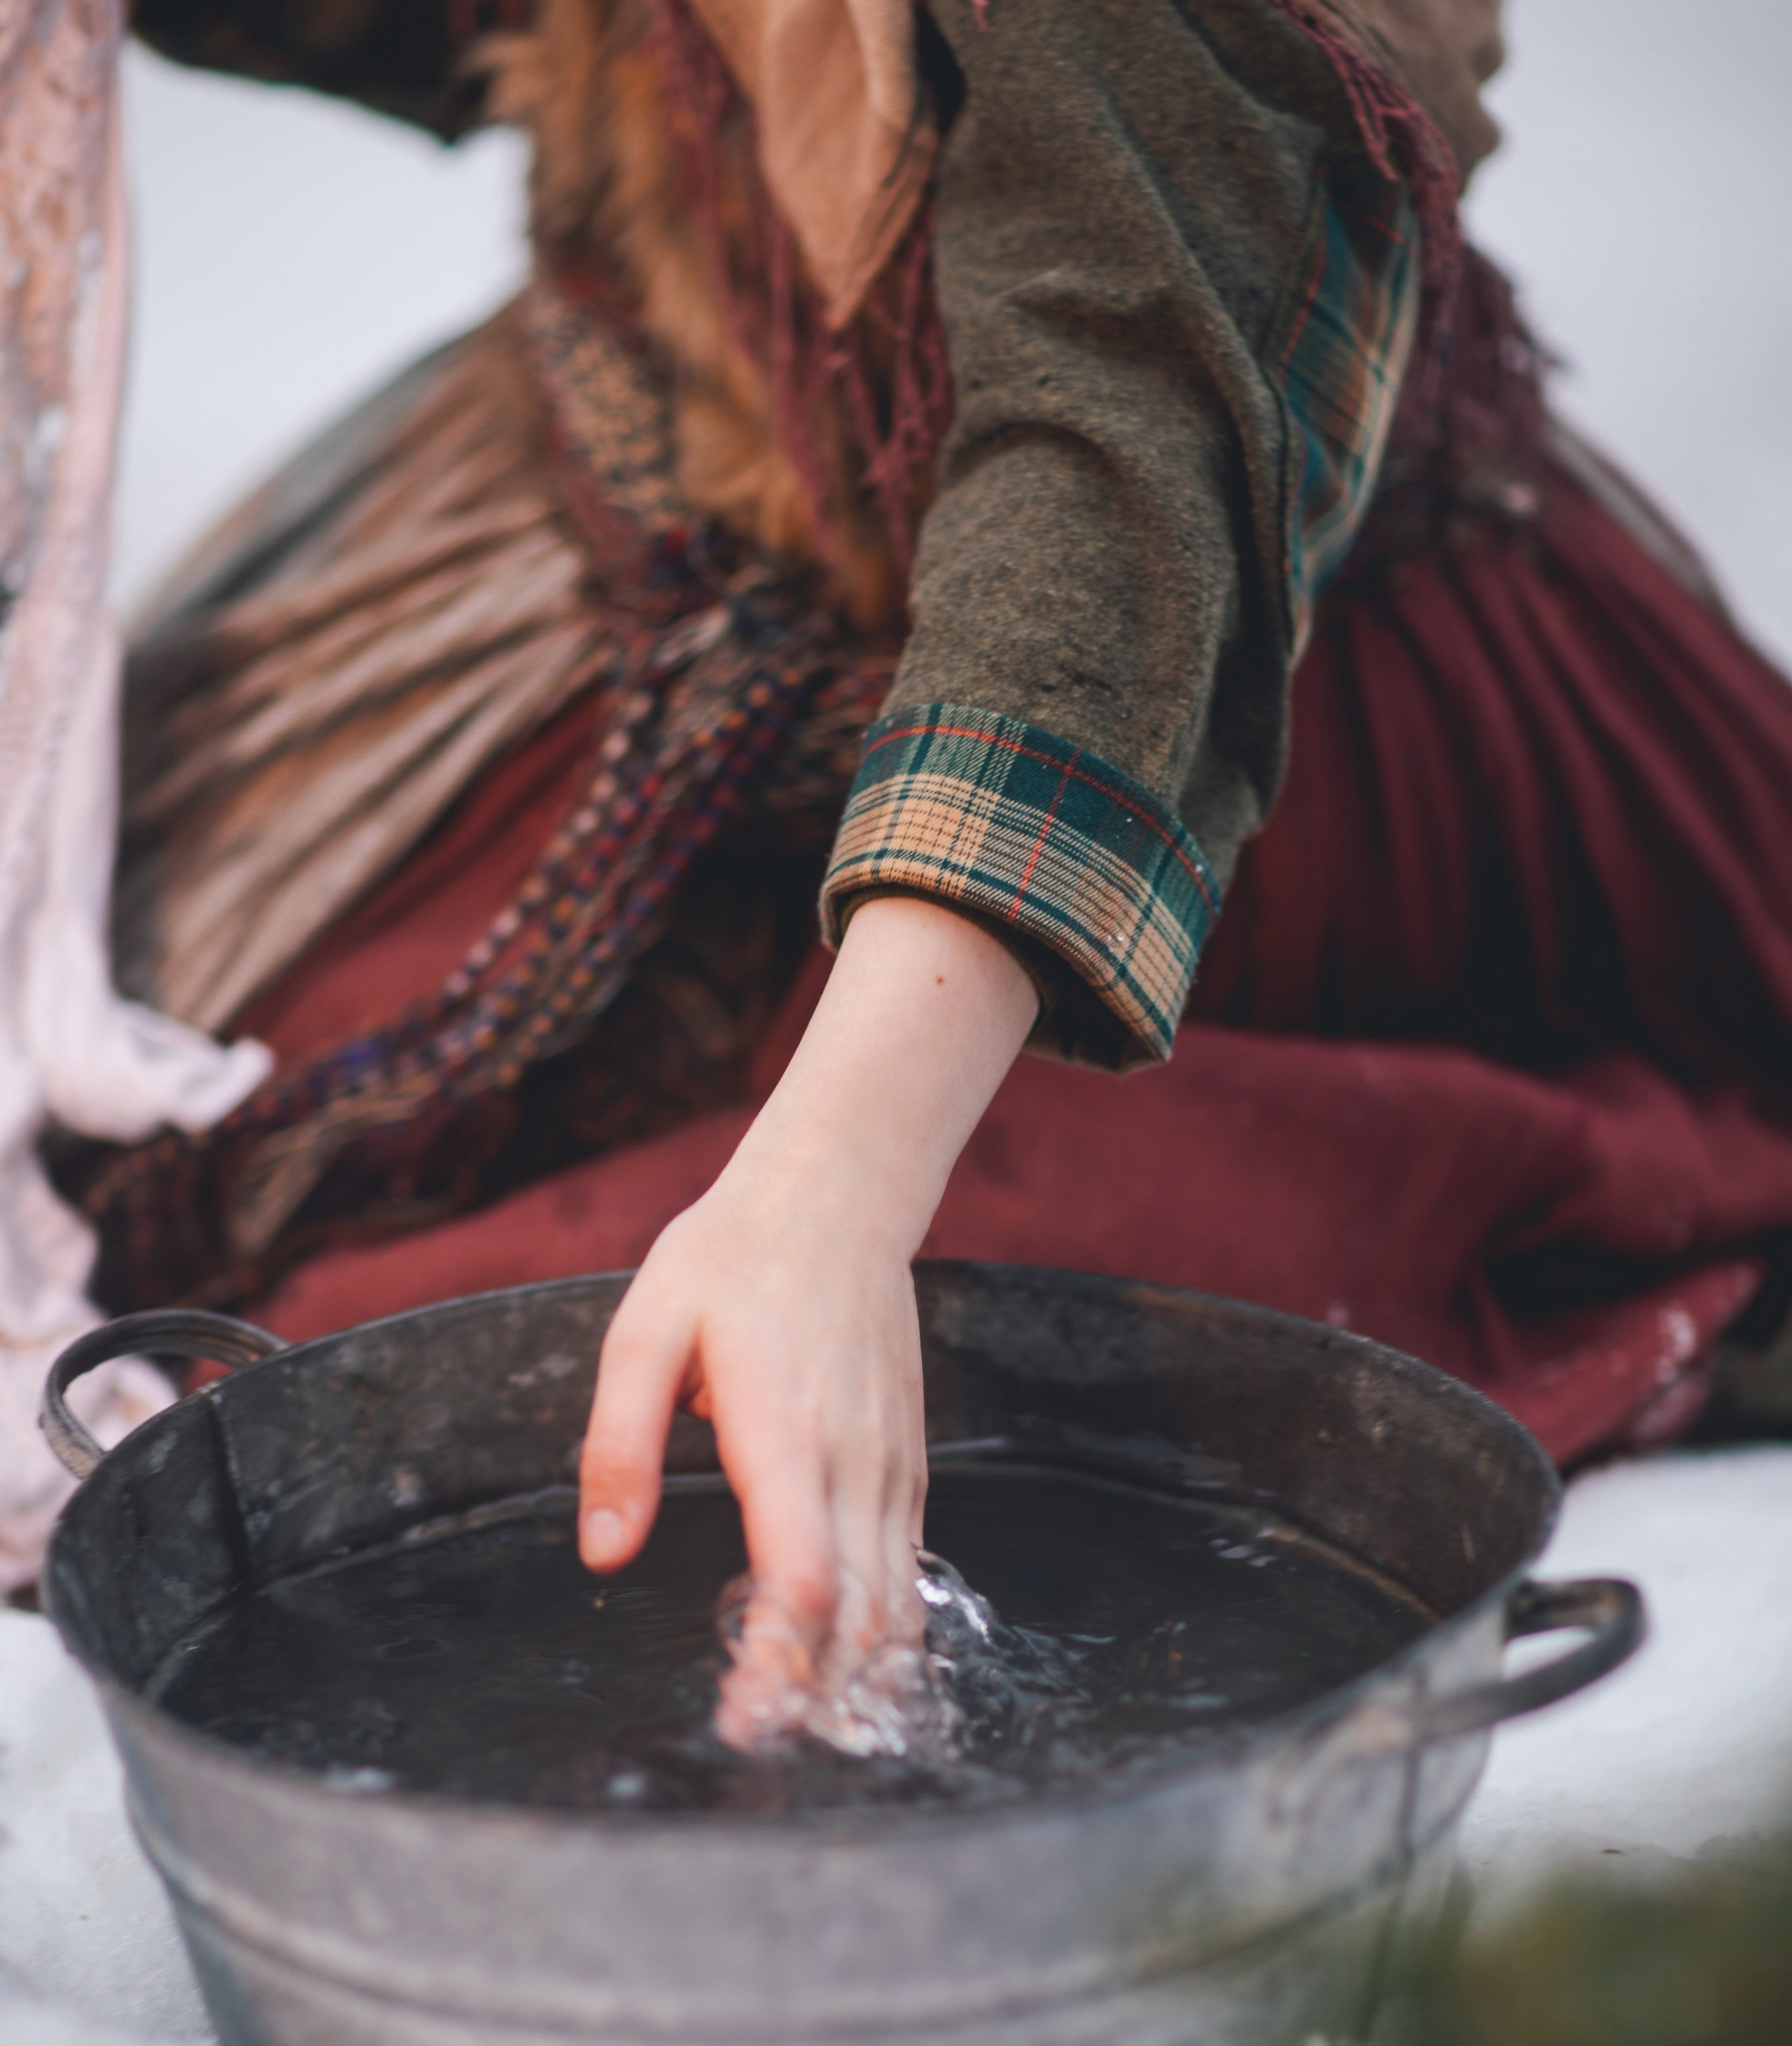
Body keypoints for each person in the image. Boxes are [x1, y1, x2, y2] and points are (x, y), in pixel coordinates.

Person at [22, 0, 1792, 1693]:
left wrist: (835, 1194)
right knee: (170, 1170)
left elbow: (1136, 415)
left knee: (519, 1366)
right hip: (637, 494)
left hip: (1153, 696)